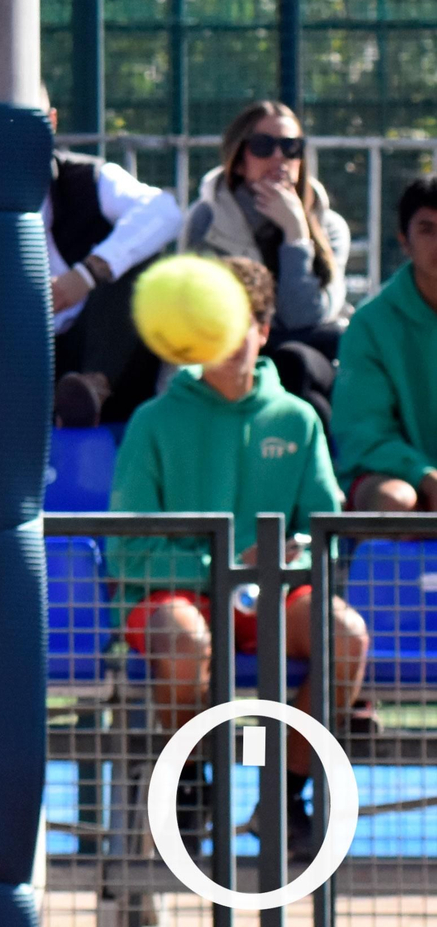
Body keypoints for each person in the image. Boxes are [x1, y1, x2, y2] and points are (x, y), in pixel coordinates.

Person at [108, 256, 369, 855]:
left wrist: (280, 563)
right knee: (184, 641)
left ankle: (285, 796)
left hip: (273, 595)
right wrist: (226, 569)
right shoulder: (153, 421)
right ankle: (188, 785)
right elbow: (126, 551)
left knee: (345, 635)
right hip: (180, 601)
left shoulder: (299, 420)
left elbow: (326, 538)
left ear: (264, 328)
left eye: (238, 322)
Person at [184, 100, 350, 427]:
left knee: (295, 361)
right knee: (295, 376)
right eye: (263, 146)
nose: (279, 158)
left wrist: (296, 233)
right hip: (238, 353)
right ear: (239, 160)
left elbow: (306, 316)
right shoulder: (207, 219)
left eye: (291, 147)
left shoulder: (329, 225)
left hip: (312, 353)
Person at [39, 86, 182, 427]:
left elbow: (165, 211)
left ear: (52, 121)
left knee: (138, 260)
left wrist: (87, 274)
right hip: (14, 356)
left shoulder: (89, 177)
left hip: (103, 356)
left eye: (31, 120)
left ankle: (91, 389)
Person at [334, 175, 437, 511]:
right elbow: (363, 433)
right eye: (427, 229)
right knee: (394, 500)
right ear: (404, 241)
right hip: (402, 479)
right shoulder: (370, 324)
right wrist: (423, 474)